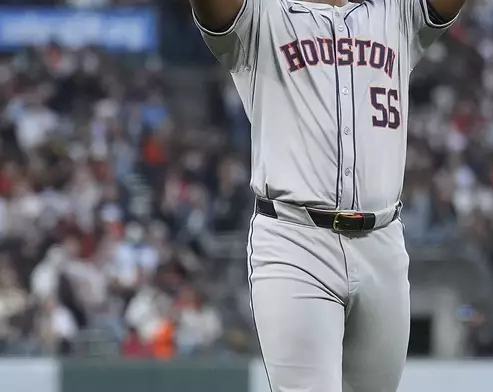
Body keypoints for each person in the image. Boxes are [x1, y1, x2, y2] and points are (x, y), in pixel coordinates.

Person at [188, 0, 467, 391]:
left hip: (382, 241)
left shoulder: (394, 12)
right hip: (296, 240)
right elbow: (214, 12)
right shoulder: (262, 15)